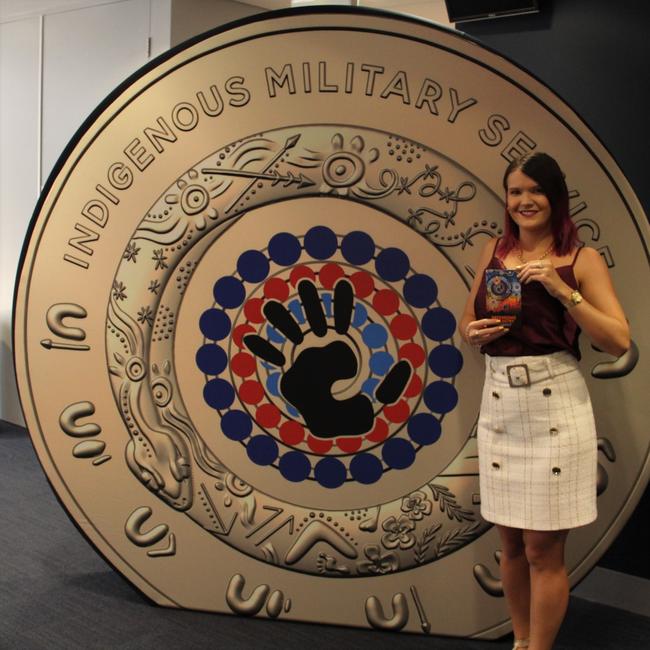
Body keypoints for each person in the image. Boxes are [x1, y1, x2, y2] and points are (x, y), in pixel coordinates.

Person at [459, 152, 629, 650]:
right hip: (499, 404)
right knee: (509, 543)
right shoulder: (493, 250)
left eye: (536, 191)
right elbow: (466, 320)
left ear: (556, 198)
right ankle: (521, 640)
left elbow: (618, 340)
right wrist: (471, 332)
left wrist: (561, 290)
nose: (525, 201)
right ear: (506, 199)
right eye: (515, 191)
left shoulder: (581, 259)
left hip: (555, 404)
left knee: (542, 550)